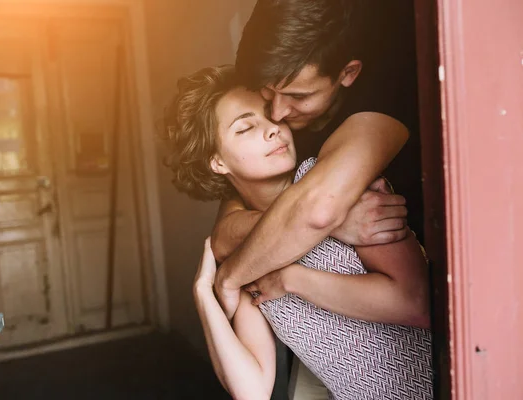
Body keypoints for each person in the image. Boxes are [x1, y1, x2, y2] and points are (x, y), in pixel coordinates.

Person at [163, 65, 432, 399]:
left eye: (271, 118)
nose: (273, 130)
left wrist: (290, 279)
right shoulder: (241, 255)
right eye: (246, 127)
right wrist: (204, 295)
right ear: (217, 162)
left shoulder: (334, 182)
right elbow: (252, 391)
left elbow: (417, 304)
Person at [212, 2, 424, 396]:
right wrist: (335, 225)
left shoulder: (380, 100)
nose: (277, 114)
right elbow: (227, 228)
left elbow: (318, 208)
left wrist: (229, 277)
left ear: (348, 74)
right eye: (267, 94)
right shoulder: (282, 134)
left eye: (297, 95)